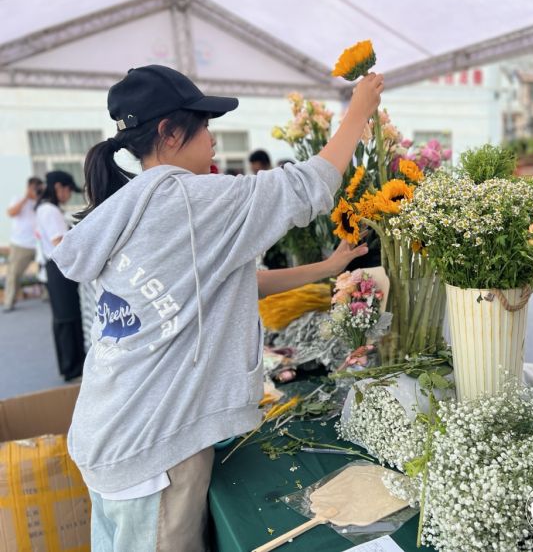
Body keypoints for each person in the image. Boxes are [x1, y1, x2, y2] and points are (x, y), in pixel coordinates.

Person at [52, 64, 382, 550]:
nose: (212, 137)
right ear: (169, 132)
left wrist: (328, 267)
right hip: (153, 450)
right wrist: (358, 111)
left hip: (110, 428)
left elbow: (236, 283)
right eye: (203, 124)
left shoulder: (130, 206)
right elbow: (305, 187)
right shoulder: (188, 200)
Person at [36, 170, 85, 381]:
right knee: (68, 317)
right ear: (58, 187)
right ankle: (73, 368)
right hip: (59, 268)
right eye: (68, 190)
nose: (68, 195)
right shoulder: (50, 211)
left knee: (63, 319)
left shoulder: (43, 208)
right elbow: (59, 243)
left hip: (52, 268)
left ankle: (69, 366)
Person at [4, 176, 43, 311]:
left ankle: (47, 296)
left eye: (38, 188)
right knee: (14, 274)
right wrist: (26, 198)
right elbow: (11, 213)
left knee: (46, 270)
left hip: (39, 244)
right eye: (33, 187)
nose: (35, 190)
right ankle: (9, 302)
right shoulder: (18, 199)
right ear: (28, 187)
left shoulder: (41, 201)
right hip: (21, 244)